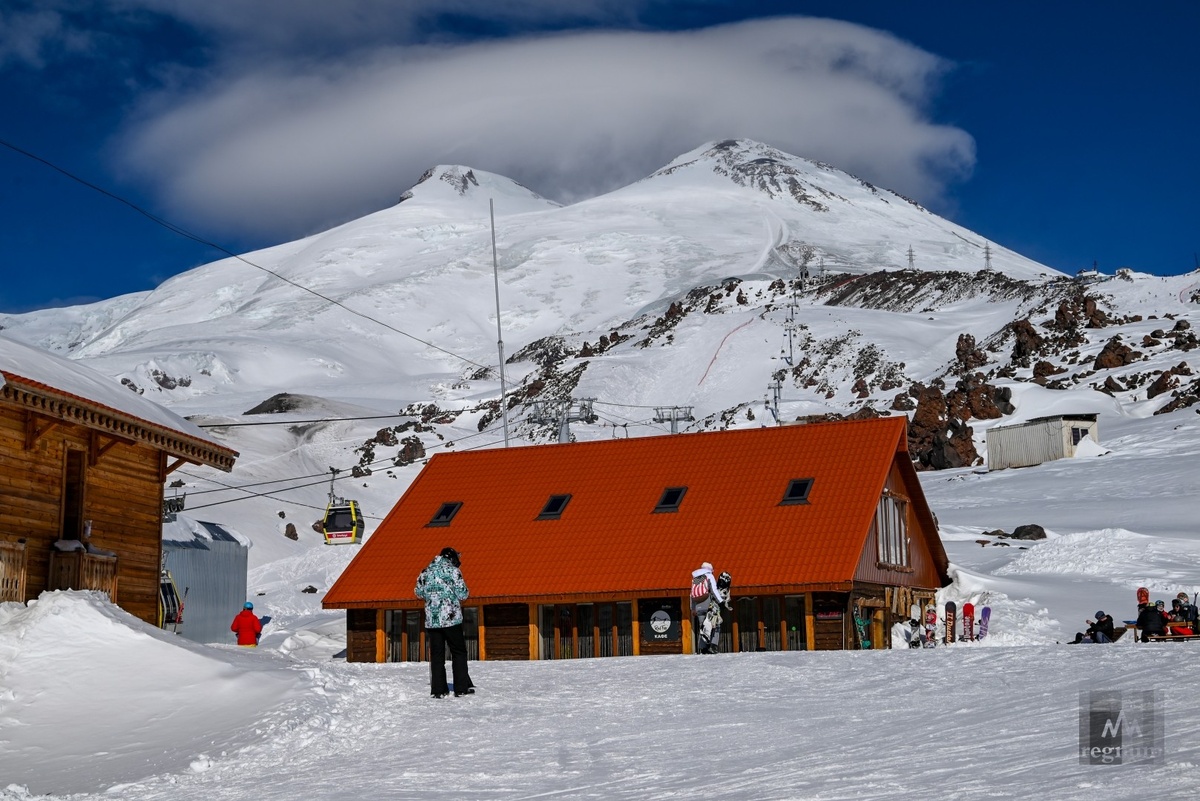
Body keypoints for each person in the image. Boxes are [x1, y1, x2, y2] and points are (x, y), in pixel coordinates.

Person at [415, 547, 475, 698]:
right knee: (458, 652)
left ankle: (438, 690)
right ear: (452, 559)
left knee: (437, 655)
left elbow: (418, 592)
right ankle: (461, 688)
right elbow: (463, 594)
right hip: (451, 618)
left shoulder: (425, 572)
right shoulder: (453, 571)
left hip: (432, 621)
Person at [690, 562, 731, 654]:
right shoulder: (709, 576)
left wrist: (693, 608)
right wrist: (720, 602)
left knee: (703, 627)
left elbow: (691, 594)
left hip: (698, 605)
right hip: (708, 603)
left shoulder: (695, 578)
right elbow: (713, 590)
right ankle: (713, 646)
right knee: (715, 625)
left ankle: (703, 648)